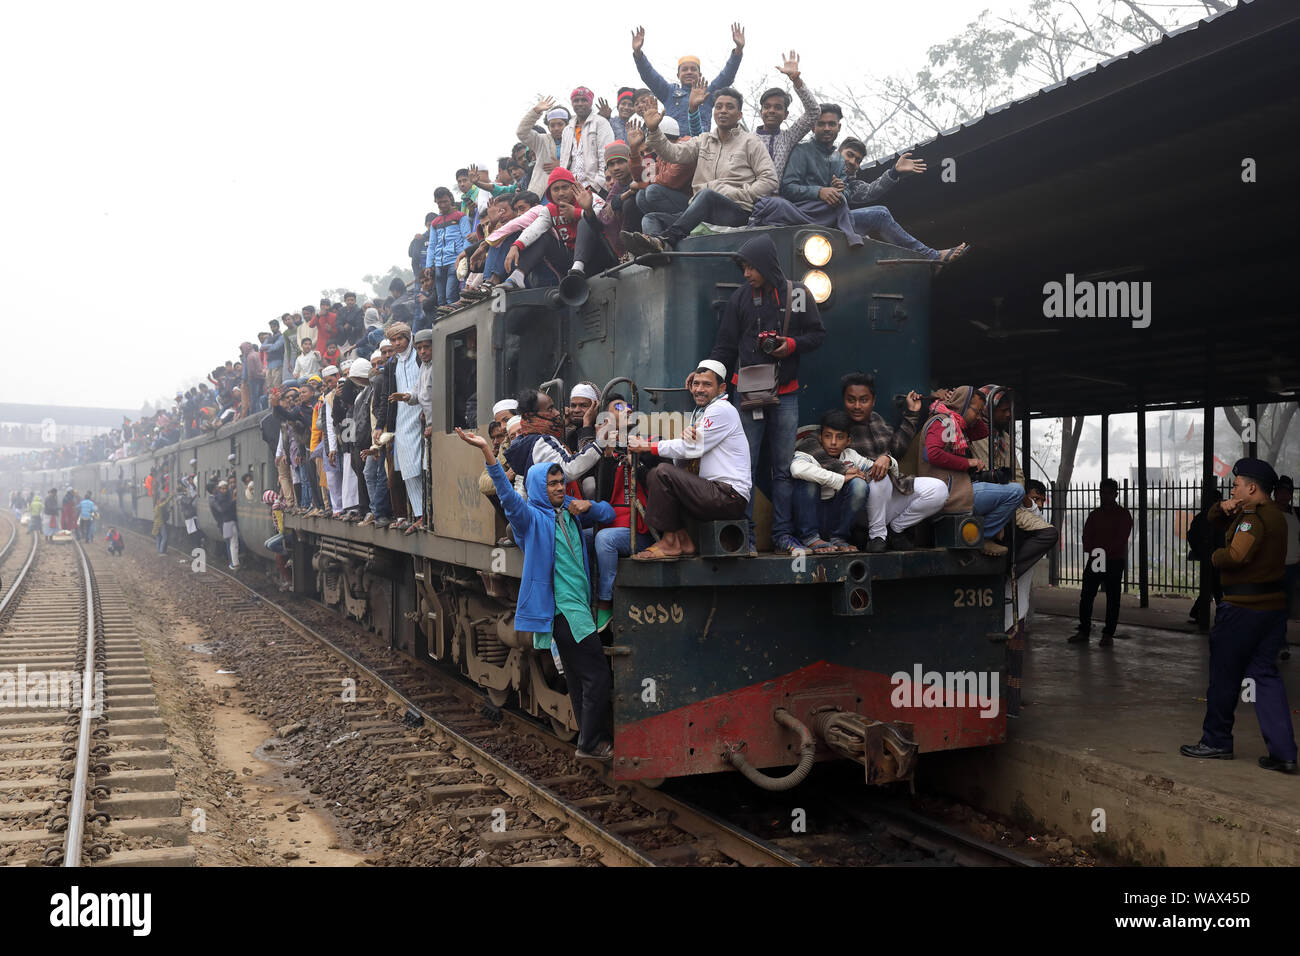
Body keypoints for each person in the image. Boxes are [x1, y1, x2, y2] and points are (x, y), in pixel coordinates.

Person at [457, 426, 616, 760]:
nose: (559, 488)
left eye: (561, 483)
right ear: (538, 488)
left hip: (578, 608)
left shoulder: (568, 512)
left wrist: (587, 506)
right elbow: (507, 494)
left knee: (576, 677)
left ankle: (587, 740)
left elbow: (609, 514)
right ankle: (593, 742)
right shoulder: (530, 519)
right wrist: (488, 451)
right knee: (597, 674)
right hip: (563, 611)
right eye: (552, 484)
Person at [707, 234, 825, 554]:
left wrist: (792, 345)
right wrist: (710, 375)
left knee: (784, 468)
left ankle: (783, 534)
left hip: (786, 393)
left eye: (751, 267)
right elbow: (725, 346)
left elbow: (817, 334)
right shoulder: (740, 298)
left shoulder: (797, 294)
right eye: (743, 267)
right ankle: (747, 537)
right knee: (743, 466)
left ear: (766, 264)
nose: (746, 274)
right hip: (746, 395)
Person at [1181, 459, 1297, 772]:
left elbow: (1236, 555)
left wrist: (1214, 556)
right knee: (1265, 676)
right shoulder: (1276, 515)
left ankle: (1216, 740)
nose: (1233, 489)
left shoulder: (1253, 518)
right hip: (1272, 608)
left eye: (1236, 485)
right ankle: (1284, 752)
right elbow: (1214, 519)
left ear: (1252, 487)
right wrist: (1224, 506)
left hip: (1244, 609)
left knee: (1224, 674)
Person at [621, 91, 778, 253]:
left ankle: (665, 240)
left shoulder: (751, 142)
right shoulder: (704, 140)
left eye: (729, 107)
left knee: (707, 194)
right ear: (714, 112)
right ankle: (660, 251)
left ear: (739, 115)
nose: (723, 110)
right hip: (701, 209)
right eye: (719, 106)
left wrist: (740, 195)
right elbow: (672, 153)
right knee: (651, 218)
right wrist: (653, 130)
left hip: (735, 211)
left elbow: (770, 180)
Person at [627, 360, 750, 560]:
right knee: (655, 466)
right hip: (710, 491)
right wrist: (650, 452)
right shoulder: (700, 413)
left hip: (728, 496)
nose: (699, 389)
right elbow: (683, 460)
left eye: (707, 384)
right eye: (696, 383)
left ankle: (669, 542)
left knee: (662, 471)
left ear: (722, 388)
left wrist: (648, 446)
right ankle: (680, 538)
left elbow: (692, 448)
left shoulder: (722, 409)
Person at [902, 386, 1023, 557]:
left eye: (982, 412)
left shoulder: (956, 424)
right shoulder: (944, 421)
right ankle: (984, 536)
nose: (980, 416)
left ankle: (983, 535)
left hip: (958, 491)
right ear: (962, 405)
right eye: (978, 411)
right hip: (951, 494)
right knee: (1016, 492)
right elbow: (933, 454)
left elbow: (983, 431)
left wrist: (973, 412)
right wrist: (968, 463)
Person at [838, 138, 968, 266]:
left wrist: (894, 172)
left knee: (872, 232)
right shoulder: (819, 167)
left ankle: (927, 264)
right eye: (849, 155)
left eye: (858, 160)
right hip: (823, 221)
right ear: (838, 152)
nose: (852, 162)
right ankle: (933, 256)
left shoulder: (849, 185)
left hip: (839, 224)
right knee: (880, 215)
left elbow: (869, 191)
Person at [630, 23, 744, 133]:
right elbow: (650, 76)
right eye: (684, 70)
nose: (689, 72)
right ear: (678, 75)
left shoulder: (707, 94)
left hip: (700, 145)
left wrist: (738, 50)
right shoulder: (669, 92)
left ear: (699, 75)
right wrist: (638, 53)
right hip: (672, 146)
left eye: (693, 69)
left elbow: (726, 77)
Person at [790, 410, 876, 553]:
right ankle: (810, 538)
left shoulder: (850, 456)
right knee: (807, 480)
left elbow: (875, 470)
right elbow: (797, 469)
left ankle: (839, 538)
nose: (833, 442)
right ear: (820, 438)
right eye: (828, 436)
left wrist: (888, 460)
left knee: (859, 485)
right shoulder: (808, 453)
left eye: (840, 437)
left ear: (848, 441)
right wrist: (840, 478)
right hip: (808, 519)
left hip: (834, 519)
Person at [1071, 477, 1133, 646]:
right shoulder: (1095, 514)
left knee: (1112, 598)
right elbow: (1086, 535)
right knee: (1087, 596)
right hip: (1099, 558)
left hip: (1111, 560)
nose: (1105, 496)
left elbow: (1121, 539)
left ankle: (1107, 634)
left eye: (1108, 493)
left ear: (1115, 494)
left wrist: (1098, 552)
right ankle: (1084, 630)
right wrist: (1094, 551)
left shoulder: (1123, 515)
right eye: (1102, 493)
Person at [558, 87, 615, 193]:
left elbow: (606, 155)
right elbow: (564, 160)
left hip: (595, 186)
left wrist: (599, 183)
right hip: (571, 188)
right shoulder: (567, 129)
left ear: (590, 102)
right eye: (576, 100)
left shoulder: (600, 123)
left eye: (584, 100)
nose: (579, 103)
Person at [424, 188, 470, 308]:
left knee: (450, 296)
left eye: (445, 201)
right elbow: (432, 245)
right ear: (436, 202)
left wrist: (463, 256)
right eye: (440, 202)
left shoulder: (460, 217)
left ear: (450, 199)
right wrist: (429, 265)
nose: (443, 205)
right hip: (439, 264)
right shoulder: (435, 223)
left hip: (454, 262)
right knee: (441, 300)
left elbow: (467, 238)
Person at [209, 479, 240, 570]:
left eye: (225, 488)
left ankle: (234, 563)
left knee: (233, 543)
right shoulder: (219, 498)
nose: (224, 490)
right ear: (219, 489)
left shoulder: (224, 496)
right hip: (226, 522)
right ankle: (234, 563)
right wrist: (233, 500)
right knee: (232, 543)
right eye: (222, 488)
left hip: (228, 522)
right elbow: (223, 509)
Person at [262, 320, 286, 390]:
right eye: (271, 327)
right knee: (269, 386)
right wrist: (271, 346)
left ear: (278, 327)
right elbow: (262, 347)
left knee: (277, 385)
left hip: (278, 363)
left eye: (274, 327)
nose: (273, 329)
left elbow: (275, 347)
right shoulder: (269, 338)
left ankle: (277, 401)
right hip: (269, 364)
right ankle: (271, 401)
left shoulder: (282, 336)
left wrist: (268, 347)